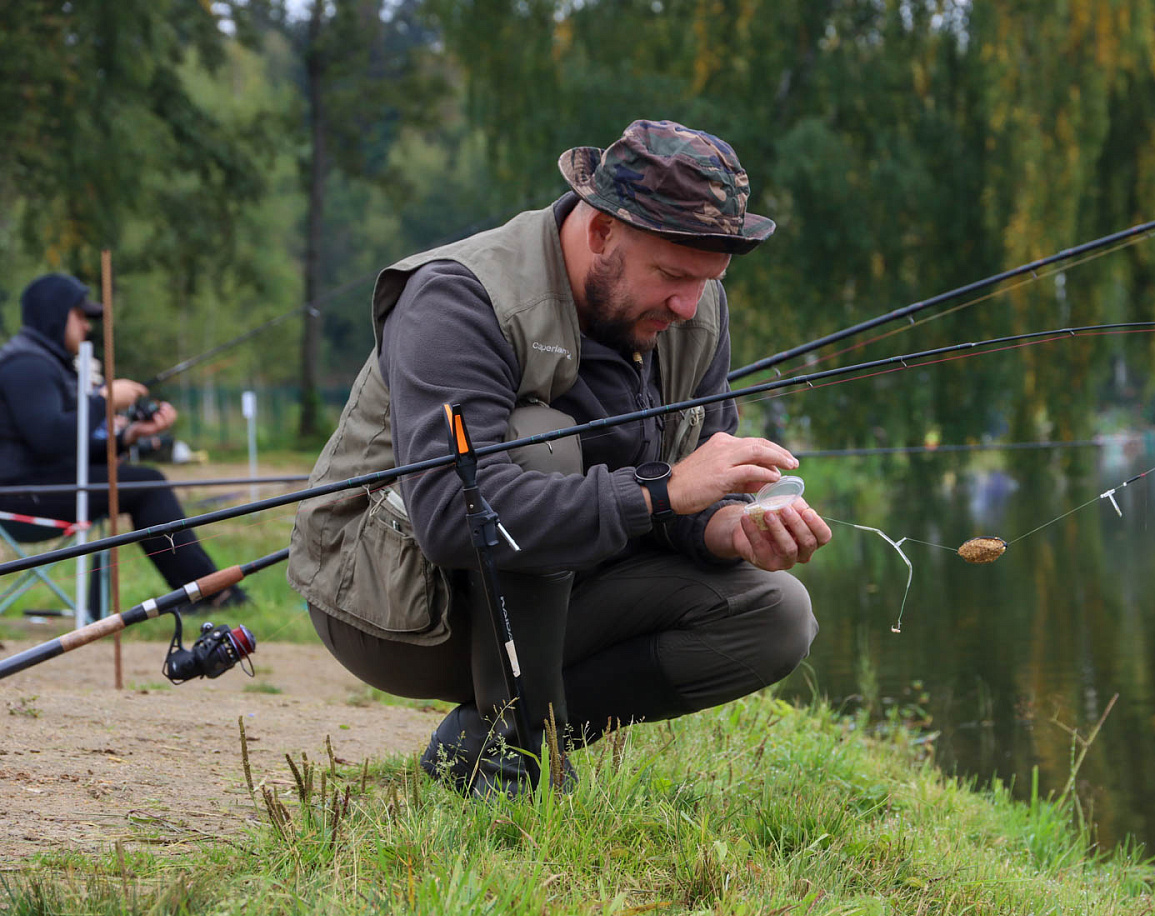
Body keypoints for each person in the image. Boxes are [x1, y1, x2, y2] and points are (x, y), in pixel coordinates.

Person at [289, 119, 831, 796]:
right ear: (601, 232)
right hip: (403, 609)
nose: (687, 305)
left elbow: (689, 489)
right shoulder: (459, 297)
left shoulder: (692, 310)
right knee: (541, 442)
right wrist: (663, 493)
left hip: (566, 593)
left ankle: (483, 741)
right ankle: (519, 754)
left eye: (706, 280)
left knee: (777, 616)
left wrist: (726, 525)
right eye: (670, 275)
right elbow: (460, 518)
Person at [0, 272, 247, 611]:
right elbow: (51, 440)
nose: (87, 326)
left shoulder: (44, 363)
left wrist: (128, 436)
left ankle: (204, 591)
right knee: (147, 483)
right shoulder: (26, 365)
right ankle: (207, 593)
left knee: (144, 481)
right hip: (19, 498)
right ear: (55, 313)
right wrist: (105, 400)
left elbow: (67, 448)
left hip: (41, 487)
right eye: (80, 315)